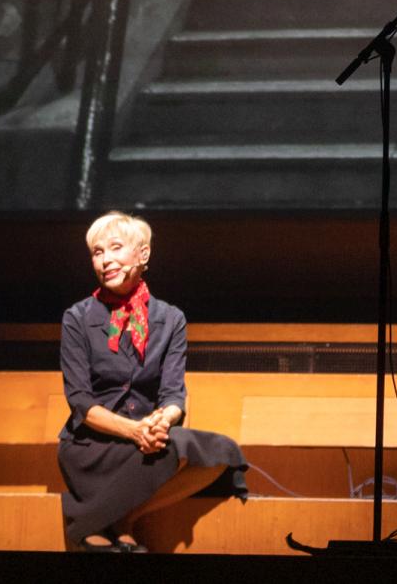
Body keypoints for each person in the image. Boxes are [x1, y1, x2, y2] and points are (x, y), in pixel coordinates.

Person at [57, 211, 246, 552]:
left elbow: (173, 394)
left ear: (143, 254)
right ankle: (97, 521)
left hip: (146, 442)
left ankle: (118, 518)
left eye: (116, 247)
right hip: (92, 446)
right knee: (164, 449)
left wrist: (162, 420)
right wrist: (134, 431)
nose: (105, 260)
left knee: (223, 452)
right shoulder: (77, 318)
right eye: (98, 252)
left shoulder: (170, 319)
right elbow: (81, 403)